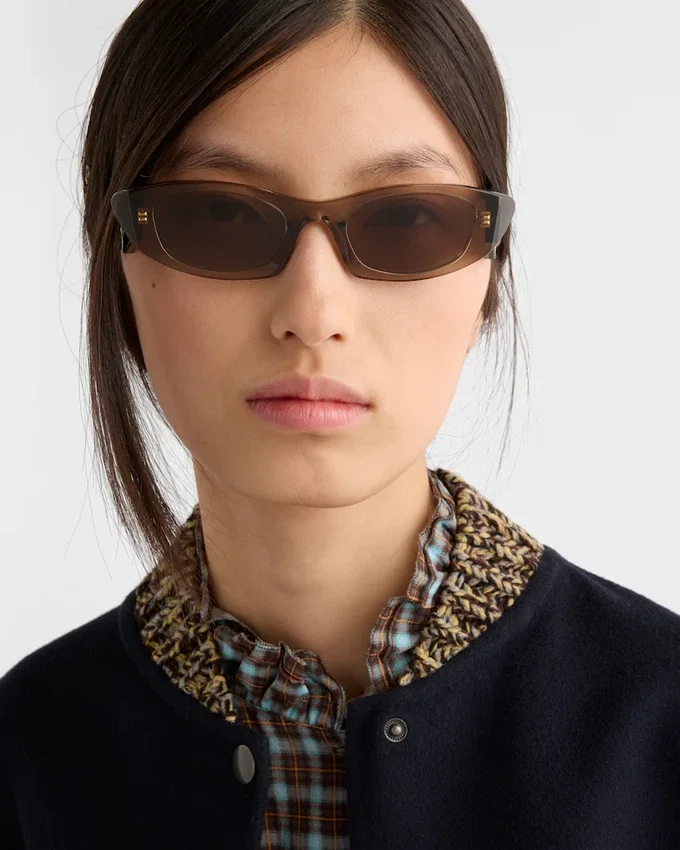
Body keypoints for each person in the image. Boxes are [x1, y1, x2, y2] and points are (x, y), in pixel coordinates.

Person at [1, 1, 679, 847]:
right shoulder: (26, 754)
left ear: (488, 277)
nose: (313, 312)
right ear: (118, 268)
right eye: (220, 215)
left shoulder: (661, 722)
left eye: (404, 219)